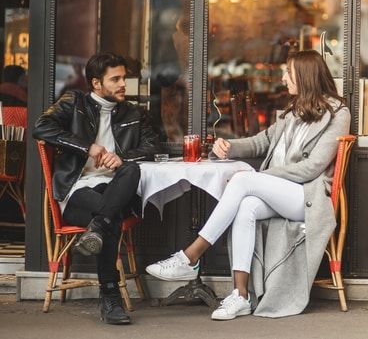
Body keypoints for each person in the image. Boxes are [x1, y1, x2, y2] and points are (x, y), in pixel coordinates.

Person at [146, 50, 350, 320]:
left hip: (309, 197)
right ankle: (240, 295)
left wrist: (261, 178)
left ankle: (190, 256)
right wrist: (230, 147)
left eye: (288, 72)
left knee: (243, 181)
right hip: (283, 193)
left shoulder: (337, 113)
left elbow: (312, 167)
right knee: (247, 206)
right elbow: (262, 141)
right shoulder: (291, 112)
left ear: (305, 75)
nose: (283, 77)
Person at [33, 53, 159, 325]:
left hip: (117, 188)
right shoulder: (74, 103)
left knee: (131, 170)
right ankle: (110, 296)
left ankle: (97, 229)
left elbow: (154, 148)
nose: (123, 84)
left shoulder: (133, 113)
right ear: (96, 83)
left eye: (124, 78)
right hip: (78, 190)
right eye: (115, 79)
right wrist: (86, 147)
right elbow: (41, 127)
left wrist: (122, 158)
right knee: (110, 218)